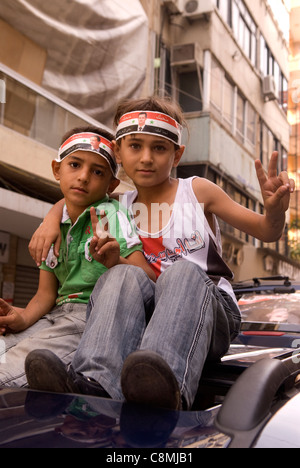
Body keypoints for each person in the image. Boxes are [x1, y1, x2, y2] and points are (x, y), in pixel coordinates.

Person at [25, 96, 294, 410]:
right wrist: (51, 219)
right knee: (122, 273)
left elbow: (266, 230)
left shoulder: (197, 192)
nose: (147, 158)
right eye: (135, 146)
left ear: (177, 153)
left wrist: (275, 212)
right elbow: (73, 198)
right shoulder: (116, 206)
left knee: (180, 272)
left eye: (160, 147)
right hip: (148, 319)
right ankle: (94, 387)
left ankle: (166, 388)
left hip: (209, 315)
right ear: (118, 151)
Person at [0, 125, 155, 388]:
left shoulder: (111, 215)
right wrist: (21, 318)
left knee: (9, 370)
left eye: (97, 172)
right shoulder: (52, 226)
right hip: (53, 317)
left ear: (111, 184)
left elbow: (147, 278)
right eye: (74, 165)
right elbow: (45, 295)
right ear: (56, 169)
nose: (83, 177)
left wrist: (117, 261)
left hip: (88, 319)